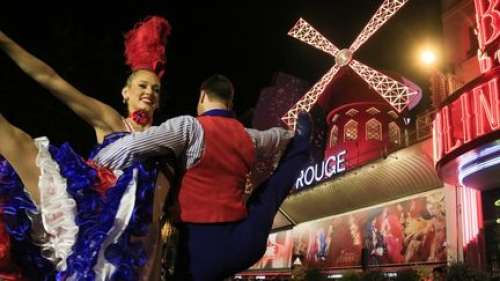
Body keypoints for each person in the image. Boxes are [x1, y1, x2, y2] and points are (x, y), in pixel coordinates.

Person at [0, 16, 174, 280]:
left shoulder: (165, 142)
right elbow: (50, 79)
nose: (149, 91)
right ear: (125, 92)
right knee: (20, 143)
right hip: (81, 216)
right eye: (142, 85)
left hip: (125, 241)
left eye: (156, 89)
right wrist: (4, 41)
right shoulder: (111, 120)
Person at [94, 74, 312, 281]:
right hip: (244, 244)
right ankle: (304, 143)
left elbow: (134, 145)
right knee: (270, 192)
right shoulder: (250, 137)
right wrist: (294, 136)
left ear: (202, 96)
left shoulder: (189, 127)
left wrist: (95, 165)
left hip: (199, 253)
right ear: (230, 103)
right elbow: (276, 137)